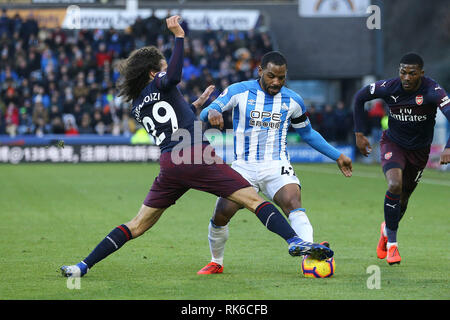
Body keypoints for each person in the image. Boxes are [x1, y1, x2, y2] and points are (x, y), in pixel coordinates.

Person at [60, 16, 332, 278]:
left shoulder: (137, 105)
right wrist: (179, 37)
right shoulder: (162, 81)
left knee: (137, 224)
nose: (167, 70)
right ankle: (295, 241)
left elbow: (172, 121)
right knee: (253, 199)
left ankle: (82, 266)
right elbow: (173, 77)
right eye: (163, 67)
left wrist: (196, 104)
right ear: (154, 72)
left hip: (171, 164)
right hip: (195, 155)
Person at [197, 51, 353, 274]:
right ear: (260, 71)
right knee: (221, 213)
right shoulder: (239, 91)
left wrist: (337, 155)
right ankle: (216, 261)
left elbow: (308, 134)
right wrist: (212, 111)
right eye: (271, 76)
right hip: (243, 166)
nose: (276, 82)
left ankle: (309, 254)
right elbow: (207, 112)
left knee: (292, 201)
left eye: (281, 77)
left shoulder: (293, 100)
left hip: (276, 165)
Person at [353, 52, 450, 265]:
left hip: (419, 151)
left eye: (412, 73)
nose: (406, 77)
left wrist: (448, 147)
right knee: (394, 184)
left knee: (403, 199)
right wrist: (359, 133)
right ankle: (393, 246)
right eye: (403, 72)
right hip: (393, 144)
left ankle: (386, 231)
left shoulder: (433, 91)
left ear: (421, 74)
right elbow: (360, 97)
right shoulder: (389, 87)